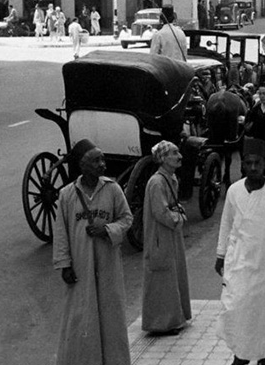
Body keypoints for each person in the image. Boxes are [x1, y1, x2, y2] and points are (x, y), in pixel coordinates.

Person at [52, 139, 133, 365]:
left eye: (103, 159)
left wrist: (107, 230)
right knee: (81, 316)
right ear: (82, 165)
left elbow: (127, 219)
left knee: (111, 314)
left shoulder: (113, 189)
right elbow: (61, 233)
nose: (102, 165)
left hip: (108, 264)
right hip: (80, 265)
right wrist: (64, 265)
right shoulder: (67, 195)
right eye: (96, 160)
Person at [216, 137, 265, 365]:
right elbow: (226, 224)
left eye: (257, 163)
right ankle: (241, 353)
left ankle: (260, 355)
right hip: (238, 262)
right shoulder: (234, 191)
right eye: (248, 163)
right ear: (242, 165)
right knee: (237, 308)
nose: (253, 168)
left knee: (262, 312)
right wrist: (220, 255)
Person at [141, 141, 191, 335]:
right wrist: (179, 218)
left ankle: (173, 319)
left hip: (169, 234)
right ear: (163, 158)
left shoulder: (169, 178)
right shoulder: (157, 182)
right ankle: (161, 323)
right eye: (174, 153)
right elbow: (161, 212)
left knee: (172, 276)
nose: (179, 156)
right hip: (160, 236)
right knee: (162, 278)